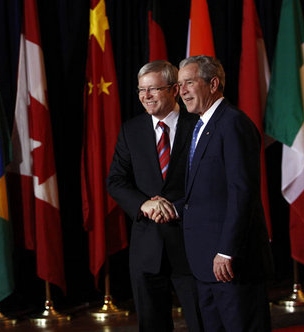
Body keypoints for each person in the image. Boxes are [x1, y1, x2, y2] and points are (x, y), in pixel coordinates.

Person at [176, 55, 273, 331]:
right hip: (206, 265)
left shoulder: (232, 124)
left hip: (231, 265)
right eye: (180, 84)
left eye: (189, 82)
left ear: (213, 83)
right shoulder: (201, 126)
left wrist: (226, 251)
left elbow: (242, 192)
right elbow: (208, 192)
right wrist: (173, 206)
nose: (182, 91)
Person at [107, 60, 203, 332]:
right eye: (141, 90)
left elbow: (210, 181)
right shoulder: (131, 130)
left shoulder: (196, 124)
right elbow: (115, 180)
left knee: (203, 322)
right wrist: (144, 204)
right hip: (148, 246)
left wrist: (176, 207)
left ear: (174, 90)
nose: (145, 97)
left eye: (153, 89)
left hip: (191, 242)